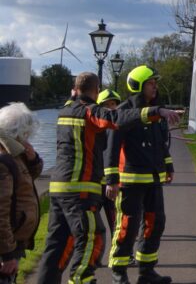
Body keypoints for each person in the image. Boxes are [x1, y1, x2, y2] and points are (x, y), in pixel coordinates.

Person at [35, 72, 180, 284]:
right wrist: (157, 111)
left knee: (57, 243)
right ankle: (82, 279)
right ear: (96, 91)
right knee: (93, 237)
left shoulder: (65, 110)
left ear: (75, 90)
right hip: (80, 189)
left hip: (58, 188)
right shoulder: (89, 111)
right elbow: (116, 119)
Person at [106, 66, 175, 284]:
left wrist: (168, 165)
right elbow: (111, 148)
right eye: (151, 83)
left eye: (155, 83)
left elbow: (160, 143)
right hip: (130, 182)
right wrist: (111, 180)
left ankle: (146, 272)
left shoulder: (153, 110)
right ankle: (119, 272)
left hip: (153, 179)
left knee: (156, 224)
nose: (155, 87)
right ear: (138, 86)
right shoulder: (123, 112)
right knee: (127, 225)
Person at [0, 103, 43, 284]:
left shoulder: (14, 154)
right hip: (7, 245)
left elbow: (25, 180)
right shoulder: (4, 160)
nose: (28, 138)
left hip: (14, 240)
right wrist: (7, 253)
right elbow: (1, 211)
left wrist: (32, 160)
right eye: (26, 133)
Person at [96, 89, 121, 243]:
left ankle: (120, 250)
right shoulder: (94, 128)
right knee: (92, 223)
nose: (111, 107)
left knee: (115, 220)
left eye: (113, 104)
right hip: (96, 182)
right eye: (107, 104)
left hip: (112, 181)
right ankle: (92, 256)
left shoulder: (119, 128)